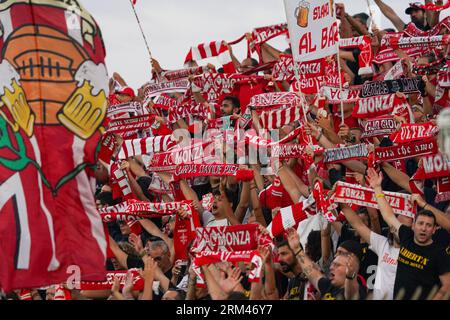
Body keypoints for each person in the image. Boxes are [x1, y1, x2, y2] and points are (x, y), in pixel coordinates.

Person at [367, 168, 450, 300]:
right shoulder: (406, 237)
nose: (423, 228)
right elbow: (388, 215)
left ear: (434, 229)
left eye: (428, 225)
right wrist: (377, 188)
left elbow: (447, 286)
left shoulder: (439, 253)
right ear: (413, 226)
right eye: (420, 224)